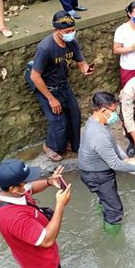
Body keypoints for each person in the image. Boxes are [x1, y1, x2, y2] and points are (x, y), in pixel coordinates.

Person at [78, 92, 135, 235]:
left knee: (106, 199)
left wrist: (125, 158)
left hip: (95, 172)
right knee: (115, 210)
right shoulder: (97, 134)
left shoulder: (97, 122)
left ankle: (104, 209)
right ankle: (113, 242)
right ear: (103, 110)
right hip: (97, 175)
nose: (115, 114)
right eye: (113, 110)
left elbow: (113, 144)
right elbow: (115, 165)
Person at [30, 11, 94, 162]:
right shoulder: (45, 48)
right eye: (67, 32)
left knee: (75, 115)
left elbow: (81, 62)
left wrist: (85, 69)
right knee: (59, 122)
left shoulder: (71, 42)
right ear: (56, 30)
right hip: (47, 88)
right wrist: (51, 99)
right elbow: (34, 76)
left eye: (73, 30)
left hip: (63, 84)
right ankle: (50, 146)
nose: (70, 34)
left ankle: (72, 144)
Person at [0, 159, 71, 268]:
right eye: (25, 182)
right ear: (13, 188)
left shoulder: (3, 193)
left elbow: (30, 188)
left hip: (28, 259)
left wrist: (49, 181)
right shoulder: (13, 218)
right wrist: (60, 205)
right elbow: (47, 241)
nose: (29, 184)